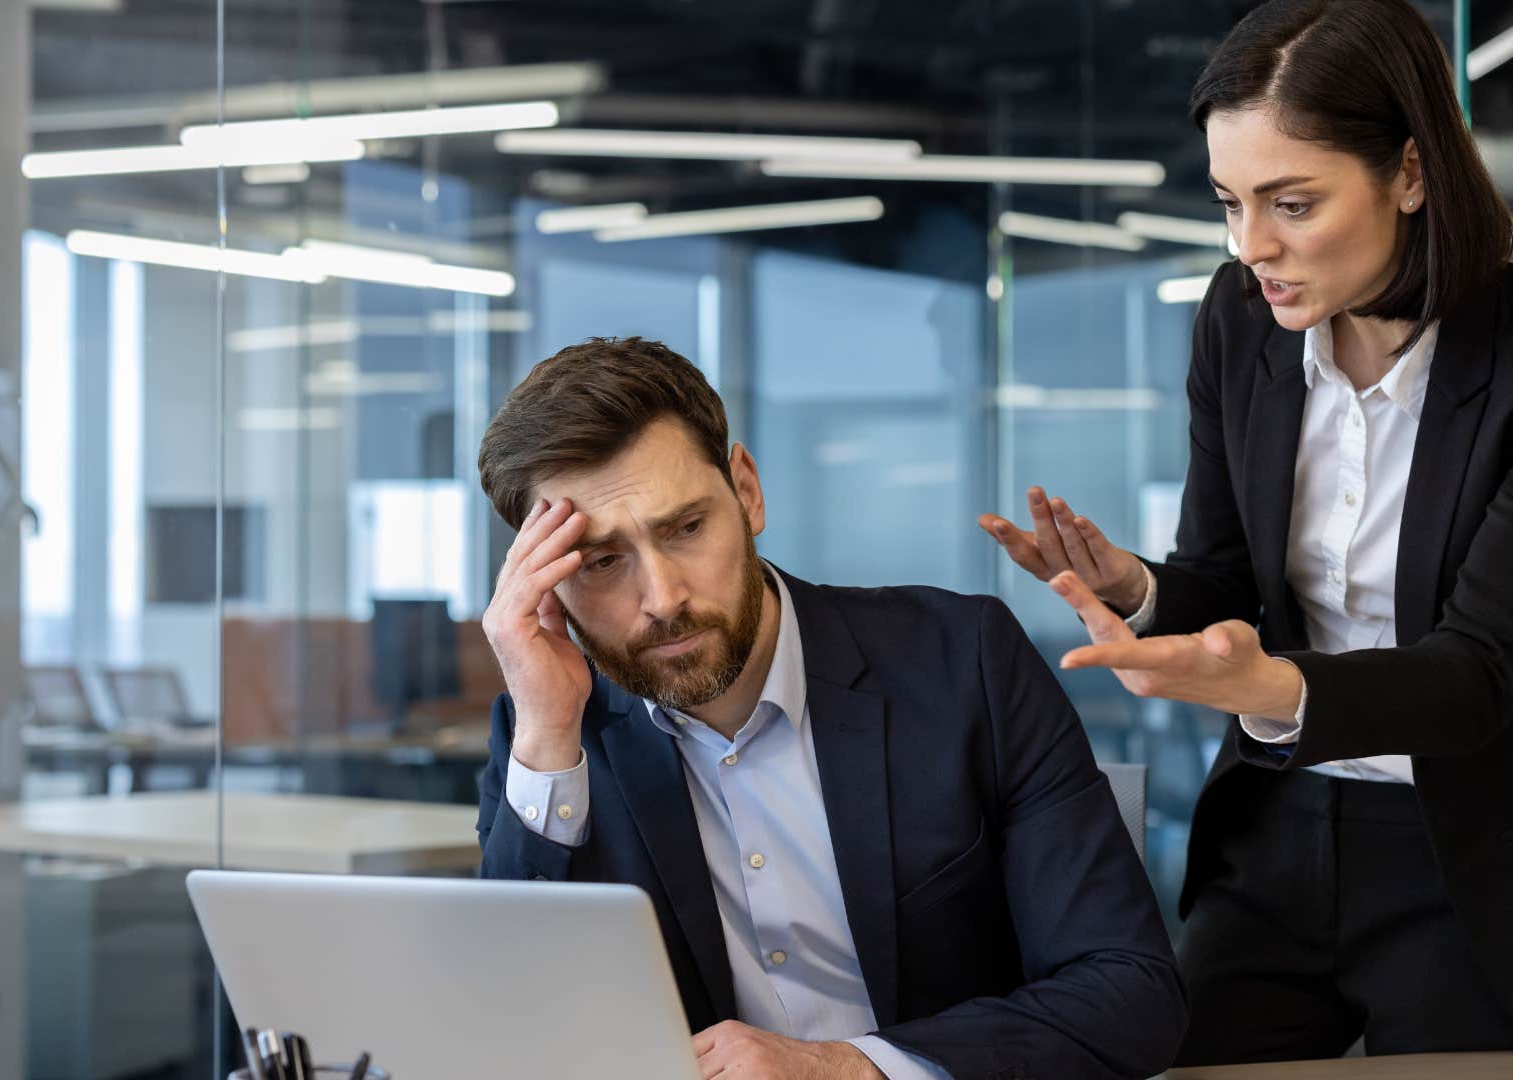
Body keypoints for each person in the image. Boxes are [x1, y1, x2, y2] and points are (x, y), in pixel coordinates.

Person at [979, 0, 1513, 1064]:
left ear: (1411, 175)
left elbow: (1483, 673)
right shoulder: (1241, 323)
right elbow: (1228, 583)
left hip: (1469, 854)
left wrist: (1272, 690)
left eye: (1292, 202)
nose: (1252, 248)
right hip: (1273, 831)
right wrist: (1140, 588)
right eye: (1231, 202)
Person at [472, 336, 1185, 1080]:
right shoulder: (547, 728)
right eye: (601, 562)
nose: (663, 599)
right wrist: (548, 739)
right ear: (545, 582)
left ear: (746, 490)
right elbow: (504, 1030)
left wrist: (846, 1068)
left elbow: (1130, 995)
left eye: (686, 529)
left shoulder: (960, 662)